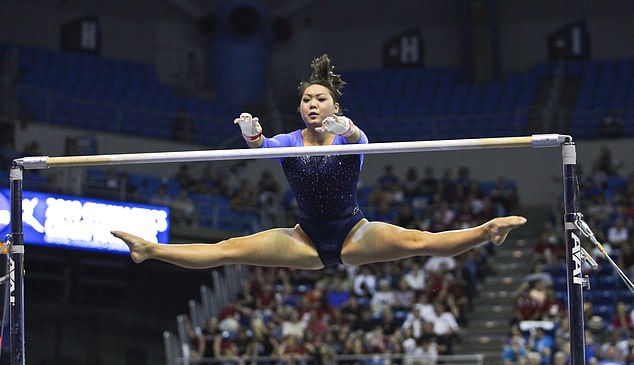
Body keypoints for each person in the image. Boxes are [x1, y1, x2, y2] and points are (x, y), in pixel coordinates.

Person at [111, 54, 526, 271]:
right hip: (304, 238)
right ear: (299, 107)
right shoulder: (288, 141)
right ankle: (150, 250)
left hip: (353, 232)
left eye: (320, 99)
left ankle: (486, 230)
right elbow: (261, 147)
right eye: (307, 100)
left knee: (419, 242)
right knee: (228, 249)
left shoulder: (352, 137)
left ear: (334, 104)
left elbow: (354, 135)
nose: (313, 104)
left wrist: (343, 125)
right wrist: (252, 135)